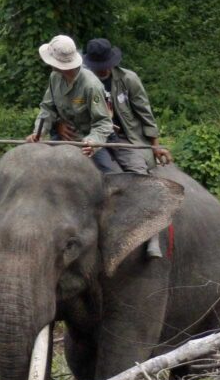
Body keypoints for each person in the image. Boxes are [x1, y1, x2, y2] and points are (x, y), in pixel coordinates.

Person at [82, 38, 171, 258]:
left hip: (125, 137)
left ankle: (151, 233)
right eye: (97, 66)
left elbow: (144, 113)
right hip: (94, 137)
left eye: (104, 65)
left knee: (139, 173)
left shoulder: (128, 79)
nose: (101, 70)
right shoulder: (83, 80)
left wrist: (155, 146)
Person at [26, 34, 113, 162]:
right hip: (62, 138)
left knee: (107, 174)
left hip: (85, 141)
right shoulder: (54, 77)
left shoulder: (91, 86)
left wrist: (92, 142)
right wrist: (38, 132)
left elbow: (103, 122)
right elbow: (47, 108)